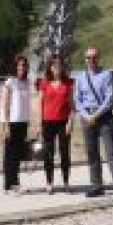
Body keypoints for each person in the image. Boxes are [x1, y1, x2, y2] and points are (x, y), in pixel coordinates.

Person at [74, 46, 113, 198]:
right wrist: (86, 115)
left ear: (99, 58)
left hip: (102, 116)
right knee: (92, 153)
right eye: (88, 58)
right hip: (86, 117)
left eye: (94, 57)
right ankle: (97, 185)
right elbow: (77, 100)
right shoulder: (80, 77)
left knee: (111, 152)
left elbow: (109, 98)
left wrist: (95, 115)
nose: (91, 60)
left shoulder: (106, 75)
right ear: (85, 60)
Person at [37, 54, 74, 193]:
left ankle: (66, 182)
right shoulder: (44, 82)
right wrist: (39, 123)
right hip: (47, 122)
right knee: (48, 153)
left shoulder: (68, 83)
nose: (57, 67)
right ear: (50, 67)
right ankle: (49, 182)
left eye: (59, 64)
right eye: (54, 65)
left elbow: (72, 105)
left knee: (65, 153)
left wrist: (71, 121)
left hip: (63, 122)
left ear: (62, 67)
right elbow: (40, 103)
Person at [0, 55, 31, 194]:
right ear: (15, 67)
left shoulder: (26, 82)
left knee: (18, 154)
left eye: (24, 65)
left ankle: (15, 182)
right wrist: (6, 124)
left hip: (22, 122)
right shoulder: (10, 82)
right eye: (19, 65)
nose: (22, 67)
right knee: (10, 154)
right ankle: (8, 184)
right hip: (11, 122)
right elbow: (5, 105)